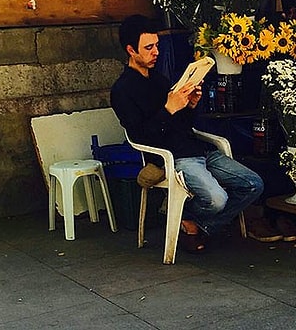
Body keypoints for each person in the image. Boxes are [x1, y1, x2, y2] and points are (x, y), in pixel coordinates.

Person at [111, 14, 266, 253]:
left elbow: (183, 124)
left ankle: (192, 222)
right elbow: (141, 136)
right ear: (131, 50)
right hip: (172, 158)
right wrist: (168, 109)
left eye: (157, 46)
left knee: (253, 184)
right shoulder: (122, 91)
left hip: (197, 149)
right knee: (218, 200)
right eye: (149, 48)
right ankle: (190, 221)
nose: (156, 53)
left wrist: (190, 105)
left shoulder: (160, 80)